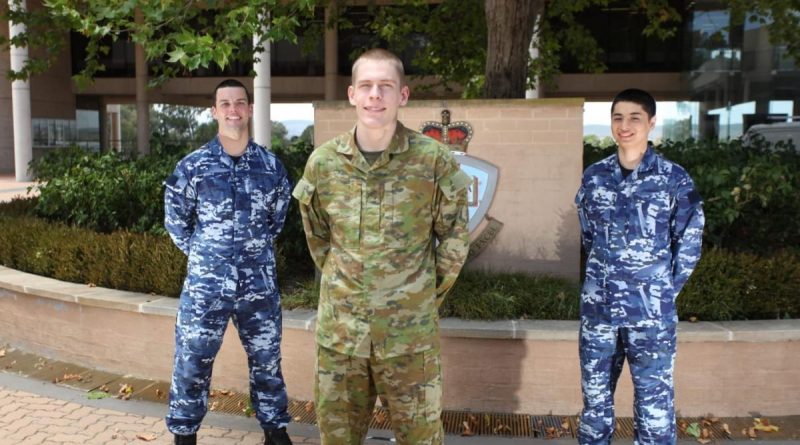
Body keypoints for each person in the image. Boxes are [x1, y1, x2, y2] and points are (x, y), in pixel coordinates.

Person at [292, 48, 471, 445]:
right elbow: (319, 240)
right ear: (352, 94)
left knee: (420, 439)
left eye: (385, 86)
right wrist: (350, 290)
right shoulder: (323, 163)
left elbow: (455, 239)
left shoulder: (434, 161)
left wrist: (418, 298)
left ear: (402, 96)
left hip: (409, 341)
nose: (376, 95)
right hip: (341, 338)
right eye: (367, 86)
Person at [163, 79, 293, 445]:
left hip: (259, 286)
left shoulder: (271, 168)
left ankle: (275, 430)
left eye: (240, 103)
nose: (233, 110)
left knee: (267, 360)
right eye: (225, 104)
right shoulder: (192, 167)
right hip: (207, 287)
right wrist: (207, 255)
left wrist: (250, 253)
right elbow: (176, 222)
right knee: (192, 362)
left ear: (250, 109)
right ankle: (184, 434)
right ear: (214, 111)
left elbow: (277, 221)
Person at [574, 88, 705, 444]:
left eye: (634, 117)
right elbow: (589, 237)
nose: (624, 125)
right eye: (618, 117)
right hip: (599, 311)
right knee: (595, 402)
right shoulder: (595, 176)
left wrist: (659, 290)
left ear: (651, 122)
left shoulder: (673, 179)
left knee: (654, 405)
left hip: (651, 315)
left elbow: (689, 243)